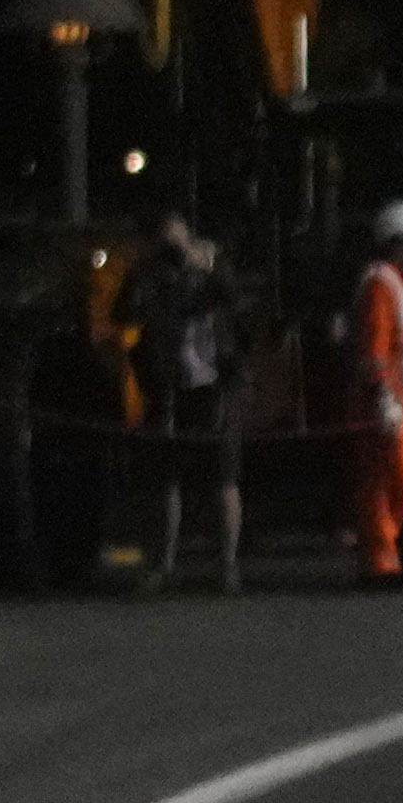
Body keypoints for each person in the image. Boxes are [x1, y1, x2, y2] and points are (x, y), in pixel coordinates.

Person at [147, 215, 249, 592]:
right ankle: (163, 563)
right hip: (173, 385)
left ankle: (228, 565)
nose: (172, 252)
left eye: (176, 242)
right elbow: (125, 310)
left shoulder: (211, 265)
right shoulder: (154, 276)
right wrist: (150, 270)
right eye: (164, 244)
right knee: (167, 477)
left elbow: (235, 300)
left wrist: (205, 267)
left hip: (216, 384)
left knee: (224, 474)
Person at [346, 203, 403, 584]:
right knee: (382, 485)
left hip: (402, 404)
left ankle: (386, 555)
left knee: (395, 482)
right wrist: (383, 397)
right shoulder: (380, 285)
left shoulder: (396, 286)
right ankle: (379, 562)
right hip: (384, 406)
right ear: (395, 245)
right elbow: (375, 349)